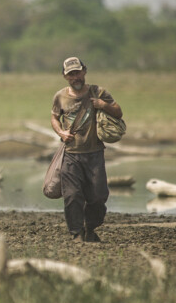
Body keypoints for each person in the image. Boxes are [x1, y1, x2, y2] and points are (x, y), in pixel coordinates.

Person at [50, 57, 123, 243]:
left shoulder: (98, 92)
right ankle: (76, 233)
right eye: (71, 74)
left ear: (84, 71)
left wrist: (103, 105)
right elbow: (54, 118)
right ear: (65, 76)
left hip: (95, 154)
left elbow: (118, 112)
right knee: (72, 196)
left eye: (78, 72)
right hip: (71, 155)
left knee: (98, 196)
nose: (76, 77)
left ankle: (90, 228)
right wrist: (61, 132)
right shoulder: (60, 96)